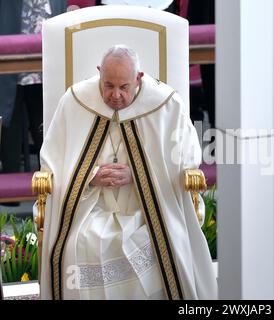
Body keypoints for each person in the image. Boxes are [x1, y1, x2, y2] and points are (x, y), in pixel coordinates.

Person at [38, 45, 218, 300]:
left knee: (152, 245)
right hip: (90, 209)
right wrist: (90, 175)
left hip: (146, 211)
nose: (115, 95)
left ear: (138, 78)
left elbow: (185, 161)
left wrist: (138, 174)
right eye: (108, 85)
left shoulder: (166, 105)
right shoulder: (75, 101)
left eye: (124, 87)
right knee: (80, 243)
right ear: (99, 73)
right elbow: (53, 161)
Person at [0, 0, 67, 176]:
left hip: (45, 60)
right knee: (9, 117)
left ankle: (47, 182)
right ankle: (11, 184)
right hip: (10, 55)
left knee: (45, 119)